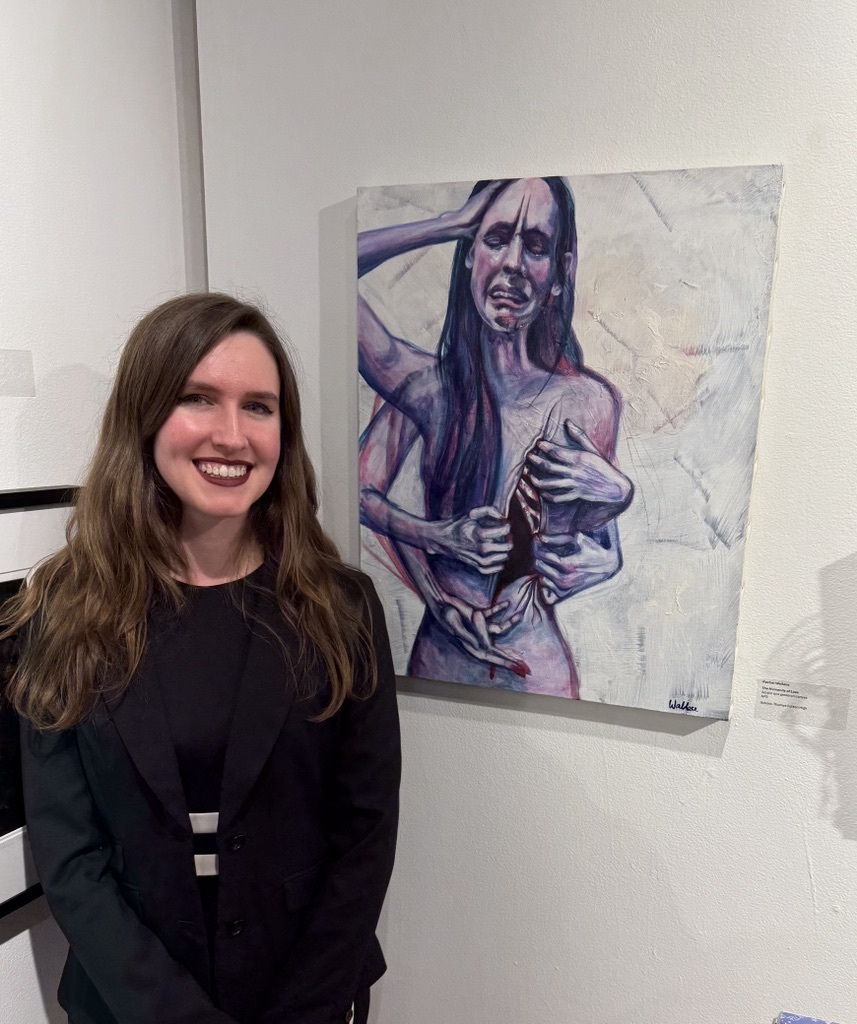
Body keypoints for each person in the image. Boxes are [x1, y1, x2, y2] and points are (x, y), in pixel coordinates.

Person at [1, 294, 400, 1024]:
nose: (232, 434)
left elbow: (364, 835)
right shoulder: (63, 609)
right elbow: (70, 858)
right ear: (146, 416)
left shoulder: (341, 607)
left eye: (258, 407)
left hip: (306, 996)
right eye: (198, 399)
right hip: (130, 1005)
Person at [357, 177, 633, 697]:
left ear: (558, 274)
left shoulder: (588, 402)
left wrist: (617, 509)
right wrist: (449, 224)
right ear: (468, 255)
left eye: (535, 247)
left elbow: (592, 542)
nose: (511, 264)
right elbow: (337, 267)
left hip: (539, 668)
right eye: (495, 238)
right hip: (438, 662)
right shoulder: (427, 388)